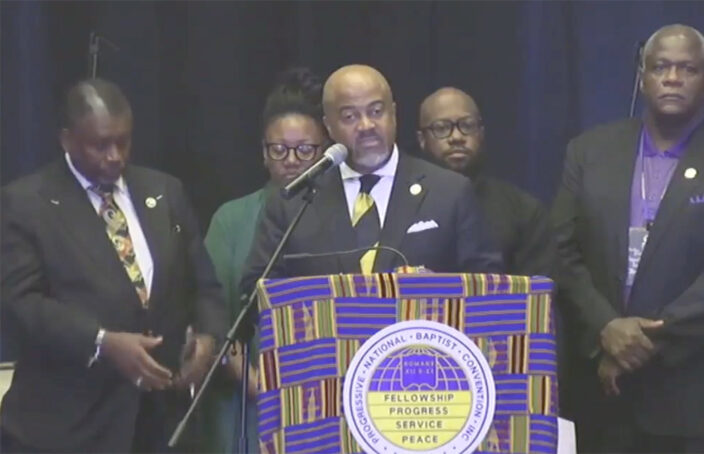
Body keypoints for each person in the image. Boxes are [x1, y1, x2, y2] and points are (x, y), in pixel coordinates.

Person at [552, 24, 704, 453]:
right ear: (642, 78)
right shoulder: (589, 152)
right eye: (660, 67)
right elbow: (562, 252)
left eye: (687, 68)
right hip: (607, 397)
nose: (672, 77)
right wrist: (605, 327)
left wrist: (642, 340)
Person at [0, 78, 226, 453]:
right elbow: (22, 303)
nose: (115, 155)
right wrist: (101, 342)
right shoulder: (26, 205)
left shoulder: (165, 192)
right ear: (67, 139)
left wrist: (208, 337)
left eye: (123, 141)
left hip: (162, 425)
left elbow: (205, 286)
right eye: (100, 144)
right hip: (71, 426)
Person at [241, 64, 502, 292]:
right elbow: (257, 292)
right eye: (350, 116)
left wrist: (436, 290)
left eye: (376, 111)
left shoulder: (450, 192)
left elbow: (489, 286)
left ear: (394, 114)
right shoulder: (295, 201)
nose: (366, 126)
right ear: (328, 126)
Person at [199, 67, 328, 453]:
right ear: (263, 153)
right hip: (250, 403)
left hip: (332, 404)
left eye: (305, 150)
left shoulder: (348, 215)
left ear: (326, 152)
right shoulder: (231, 219)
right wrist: (261, 387)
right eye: (279, 150)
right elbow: (215, 318)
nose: (292, 160)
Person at [417, 87, 553, 276]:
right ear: (422, 139)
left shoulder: (523, 210)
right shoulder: (401, 208)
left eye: (467, 125)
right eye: (441, 128)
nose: (456, 137)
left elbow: (536, 295)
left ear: (481, 133)